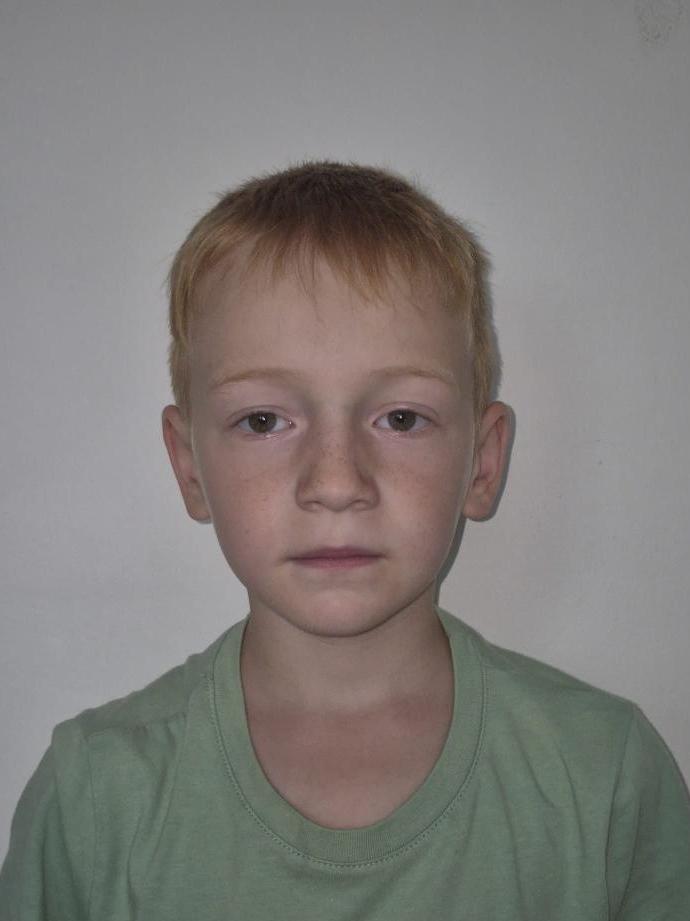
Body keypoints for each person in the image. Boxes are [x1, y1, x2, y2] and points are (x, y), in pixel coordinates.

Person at [1, 161, 688, 920]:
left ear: (483, 462)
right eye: (264, 420)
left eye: (401, 418)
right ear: (189, 466)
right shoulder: (94, 800)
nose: (335, 482)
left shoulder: (605, 779)